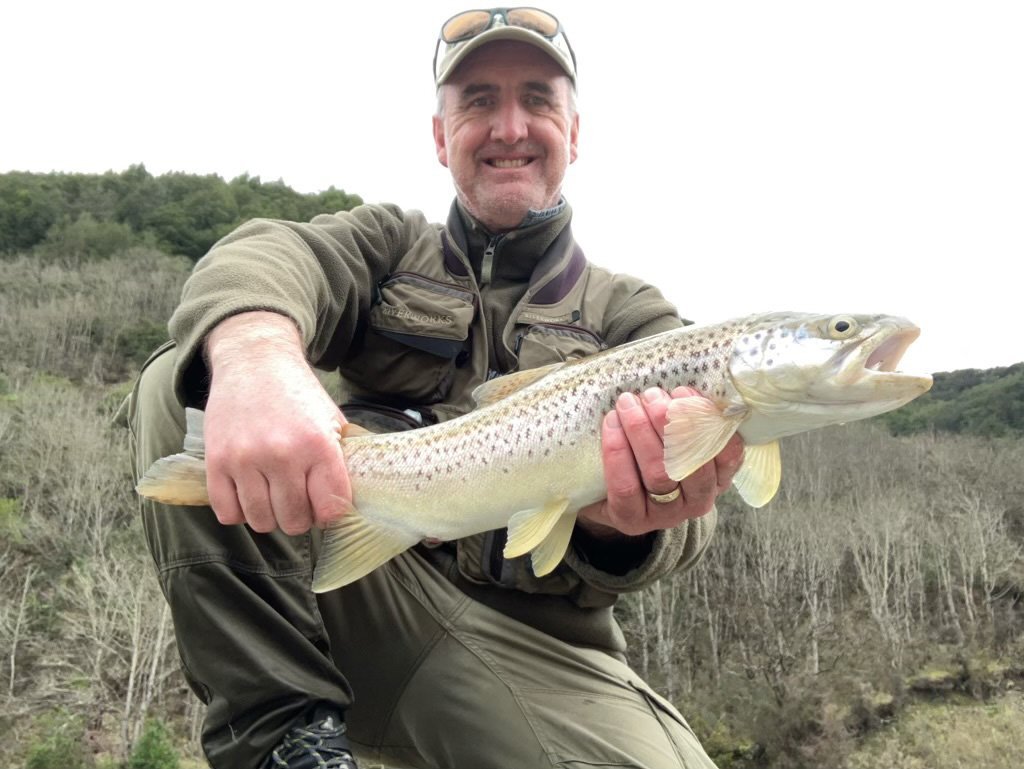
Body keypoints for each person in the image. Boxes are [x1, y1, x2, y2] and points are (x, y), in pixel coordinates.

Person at [126, 8, 744, 768]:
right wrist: (255, 352)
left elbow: (691, 529)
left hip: (535, 651)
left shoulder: (633, 317)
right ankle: (283, 737)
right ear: (440, 134)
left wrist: (624, 519)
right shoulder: (389, 246)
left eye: (538, 101)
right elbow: (268, 252)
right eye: (479, 100)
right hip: (347, 588)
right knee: (186, 380)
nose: (509, 126)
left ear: (575, 133)